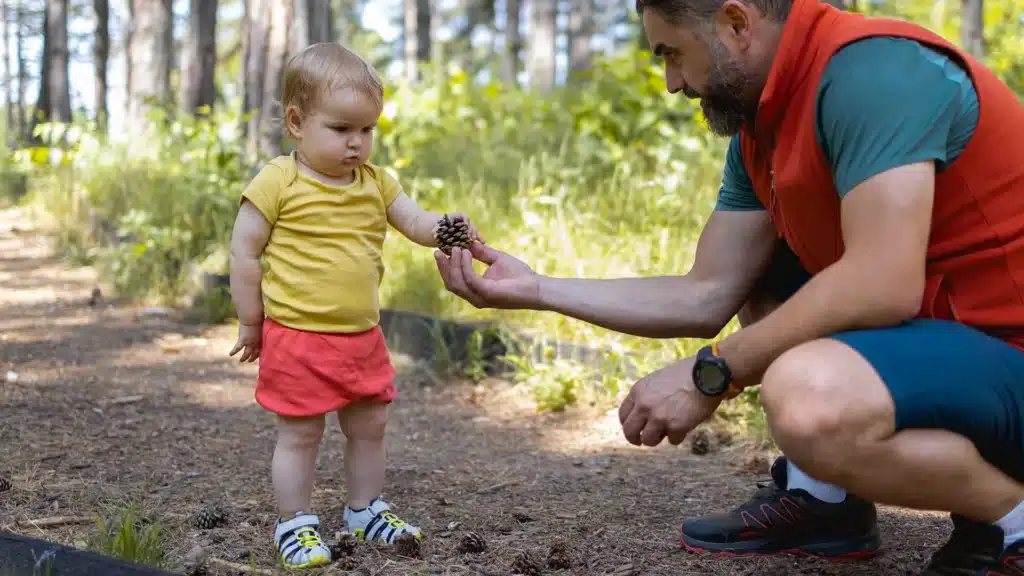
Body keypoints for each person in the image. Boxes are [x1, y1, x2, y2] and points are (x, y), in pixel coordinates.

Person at [434, 0, 1024, 574]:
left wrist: (711, 373)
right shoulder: (764, 125)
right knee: (768, 267)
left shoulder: (874, 73)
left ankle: (1014, 521)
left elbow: (882, 283)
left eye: (672, 53)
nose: (672, 82)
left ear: (736, 22)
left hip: (1008, 358)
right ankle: (824, 499)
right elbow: (709, 291)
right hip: (963, 360)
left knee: (809, 397)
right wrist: (538, 289)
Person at [228, 43, 483, 569]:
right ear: (296, 123)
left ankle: (364, 510)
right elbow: (244, 252)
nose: (356, 142)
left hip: (362, 336)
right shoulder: (278, 181)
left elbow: (415, 222)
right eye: (341, 128)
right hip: (297, 336)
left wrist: (446, 227)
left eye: (366, 130)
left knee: (370, 428)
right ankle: (294, 524)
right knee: (301, 434)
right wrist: (251, 320)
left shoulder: (376, 182)